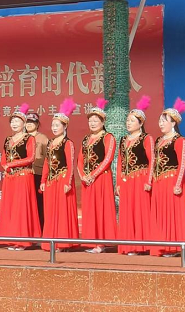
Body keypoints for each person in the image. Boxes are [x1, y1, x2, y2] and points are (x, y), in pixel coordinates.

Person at [149, 98, 185, 257]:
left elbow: (182, 163)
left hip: (172, 181)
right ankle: (162, 245)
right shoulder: (158, 141)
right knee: (161, 215)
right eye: (159, 121)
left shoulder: (180, 141)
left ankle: (174, 247)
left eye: (164, 121)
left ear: (173, 123)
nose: (160, 124)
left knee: (173, 215)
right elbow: (154, 162)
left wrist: (178, 184)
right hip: (159, 182)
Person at [0, 103, 42, 250]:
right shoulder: (7, 139)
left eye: (17, 121)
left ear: (24, 123)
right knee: (11, 208)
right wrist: (5, 166)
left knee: (22, 208)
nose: (14, 123)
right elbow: (3, 158)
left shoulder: (29, 138)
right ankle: (12, 238)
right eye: (12, 121)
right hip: (10, 178)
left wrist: (11, 164)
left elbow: (31, 158)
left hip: (24, 177)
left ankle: (24, 240)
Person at [78, 98, 117, 253]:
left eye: (95, 120)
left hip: (101, 179)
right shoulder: (86, 139)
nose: (92, 123)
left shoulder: (108, 137)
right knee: (90, 210)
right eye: (90, 121)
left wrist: (93, 175)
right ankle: (92, 241)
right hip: (87, 181)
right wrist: (83, 175)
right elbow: (80, 160)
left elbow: (108, 158)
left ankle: (101, 243)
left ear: (103, 122)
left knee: (101, 209)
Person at [40, 98, 79, 252]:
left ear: (65, 126)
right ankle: (51, 242)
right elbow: (46, 163)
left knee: (62, 212)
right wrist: (43, 180)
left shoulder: (68, 143)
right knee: (51, 212)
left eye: (57, 125)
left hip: (62, 180)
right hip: (51, 182)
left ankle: (63, 243)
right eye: (53, 125)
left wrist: (68, 182)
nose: (54, 128)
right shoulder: (50, 143)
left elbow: (70, 164)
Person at [117, 96, 154, 255]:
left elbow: (152, 160)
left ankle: (141, 246)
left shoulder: (146, 138)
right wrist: (118, 183)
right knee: (127, 212)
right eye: (127, 120)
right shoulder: (123, 139)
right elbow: (120, 162)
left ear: (140, 123)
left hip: (141, 178)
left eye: (132, 120)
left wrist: (149, 181)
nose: (128, 123)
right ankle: (129, 245)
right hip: (126, 180)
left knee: (140, 212)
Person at [26, 111, 48, 229]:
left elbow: (47, 158)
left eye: (32, 122)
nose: (29, 124)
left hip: (37, 174)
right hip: (24, 175)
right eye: (27, 122)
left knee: (39, 203)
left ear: (37, 124)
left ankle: (41, 230)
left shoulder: (42, 138)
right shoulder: (22, 137)